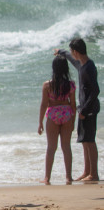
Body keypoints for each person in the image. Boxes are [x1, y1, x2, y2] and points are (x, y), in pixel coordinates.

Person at [57, 38, 100, 182]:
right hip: (84, 108)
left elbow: (95, 91)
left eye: (71, 51)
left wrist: (85, 110)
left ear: (76, 51)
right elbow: (70, 58)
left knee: (90, 141)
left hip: (89, 108)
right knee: (84, 140)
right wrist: (60, 52)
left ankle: (94, 174)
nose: (71, 54)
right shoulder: (81, 64)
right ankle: (87, 171)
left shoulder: (89, 67)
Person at [38, 54, 77, 185]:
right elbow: (73, 105)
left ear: (53, 68)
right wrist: (73, 121)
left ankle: (47, 178)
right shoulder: (70, 85)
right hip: (66, 114)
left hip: (53, 114)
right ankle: (68, 177)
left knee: (51, 148)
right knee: (66, 147)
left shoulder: (47, 85)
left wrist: (40, 123)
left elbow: (44, 104)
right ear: (66, 68)